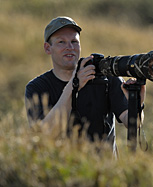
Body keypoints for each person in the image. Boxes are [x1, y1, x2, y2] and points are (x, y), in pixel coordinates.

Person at [25, 16, 146, 152]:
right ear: (48, 48)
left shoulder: (105, 77)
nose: (69, 47)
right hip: (61, 171)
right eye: (61, 42)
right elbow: (43, 135)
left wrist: (136, 104)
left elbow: (132, 124)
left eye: (74, 41)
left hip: (105, 170)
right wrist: (74, 85)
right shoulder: (37, 87)